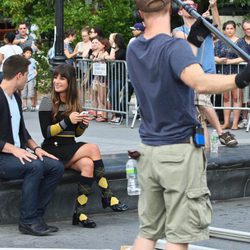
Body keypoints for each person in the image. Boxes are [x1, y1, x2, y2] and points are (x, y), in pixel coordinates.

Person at [126, 1, 250, 250]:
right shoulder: (175, 47)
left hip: (149, 150)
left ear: (140, 13)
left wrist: (193, 42)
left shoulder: (134, 48)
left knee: (148, 233)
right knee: (178, 237)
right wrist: (239, 79)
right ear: (171, 8)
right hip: (178, 153)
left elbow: (172, 65)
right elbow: (199, 81)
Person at [38, 64, 128, 229]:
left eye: (62, 78)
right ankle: (107, 195)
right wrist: (67, 121)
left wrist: (82, 125)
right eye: (55, 77)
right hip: (52, 150)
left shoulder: (74, 103)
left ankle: (79, 213)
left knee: (88, 165)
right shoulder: (46, 101)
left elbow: (76, 134)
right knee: (93, 148)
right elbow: (46, 133)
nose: (56, 81)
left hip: (69, 148)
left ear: (70, 81)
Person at [0, 55, 64, 236]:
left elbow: (22, 131)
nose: (28, 78)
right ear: (19, 75)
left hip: (15, 154)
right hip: (3, 157)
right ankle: (27, 221)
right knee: (34, 167)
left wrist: (37, 148)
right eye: (27, 74)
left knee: (55, 166)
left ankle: (36, 216)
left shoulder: (16, 98)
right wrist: (14, 149)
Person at [173, 0, 237, 147]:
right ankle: (210, 144)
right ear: (180, 11)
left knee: (201, 100)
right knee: (199, 119)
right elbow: (187, 40)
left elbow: (218, 29)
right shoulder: (178, 31)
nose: (191, 7)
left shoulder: (205, 27)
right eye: (186, 5)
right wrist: (200, 25)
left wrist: (213, 7)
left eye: (193, 5)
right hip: (189, 75)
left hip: (206, 74)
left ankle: (220, 133)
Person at [214, 20, 241, 130]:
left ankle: (234, 123)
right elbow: (214, 56)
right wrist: (219, 60)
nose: (229, 30)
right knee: (225, 98)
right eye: (227, 29)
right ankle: (226, 123)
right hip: (224, 73)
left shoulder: (240, 42)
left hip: (236, 72)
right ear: (224, 31)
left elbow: (244, 57)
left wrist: (230, 61)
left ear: (234, 29)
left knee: (236, 98)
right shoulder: (220, 42)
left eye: (231, 28)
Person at [21, 46, 38, 112]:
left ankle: (33, 105)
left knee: (31, 93)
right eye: (27, 53)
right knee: (24, 93)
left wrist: (36, 73)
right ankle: (25, 106)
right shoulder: (22, 60)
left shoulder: (32, 60)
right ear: (24, 53)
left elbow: (35, 68)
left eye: (30, 53)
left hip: (31, 78)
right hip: (24, 79)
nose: (29, 54)